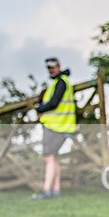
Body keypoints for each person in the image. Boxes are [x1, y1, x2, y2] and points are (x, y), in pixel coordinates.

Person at [31, 57, 75, 200]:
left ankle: (46, 190)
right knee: (53, 157)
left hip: (56, 126)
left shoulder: (61, 82)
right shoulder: (60, 82)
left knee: (48, 157)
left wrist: (39, 108)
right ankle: (55, 190)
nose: (51, 70)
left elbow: (54, 103)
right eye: (48, 68)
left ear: (59, 66)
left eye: (53, 67)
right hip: (60, 125)